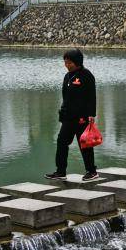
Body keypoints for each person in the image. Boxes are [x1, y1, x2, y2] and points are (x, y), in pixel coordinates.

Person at [46, 48, 99, 181]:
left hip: (82, 117)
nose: (67, 65)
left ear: (77, 62)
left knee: (84, 144)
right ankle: (61, 172)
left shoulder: (86, 75)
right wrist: (63, 113)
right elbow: (65, 97)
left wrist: (91, 115)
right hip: (68, 118)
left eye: (70, 62)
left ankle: (92, 171)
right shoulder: (67, 76)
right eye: (65, 62)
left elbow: (92, 97)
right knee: (61, 142)